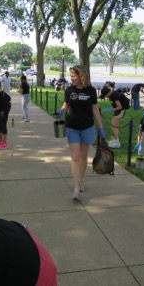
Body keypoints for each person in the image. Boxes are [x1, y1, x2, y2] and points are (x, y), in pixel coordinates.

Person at [55, 65, 105, 201]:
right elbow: (66, 105)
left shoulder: (91, 90)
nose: (71, 79)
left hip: (87, 127)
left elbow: (94, 109)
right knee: (75, 157)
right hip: (72, 127)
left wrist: (100, 127)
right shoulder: (70, 90)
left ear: (81, 76)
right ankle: (76, 188)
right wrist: (61, 111)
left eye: (73, 76)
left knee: (83, 156)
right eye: (70, 76)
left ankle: (81, 179)